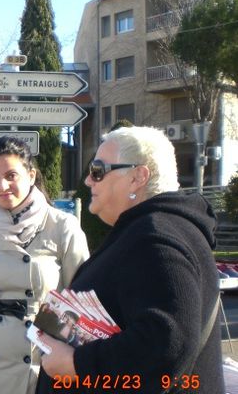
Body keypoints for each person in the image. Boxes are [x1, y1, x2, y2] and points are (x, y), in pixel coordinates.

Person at [36, 126, 225, 393]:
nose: (89, 180)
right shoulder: (152, 229)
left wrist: (77, 364)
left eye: (98, 170)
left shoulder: (154, 238)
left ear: (138, 177)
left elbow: (169, 341)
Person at [0, 136, 89, 394]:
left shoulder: (62, 227)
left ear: (31, 175)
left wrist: (76, 365)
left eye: (11, 175)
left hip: (46, 365)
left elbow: (81, 305)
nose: (2, 185)